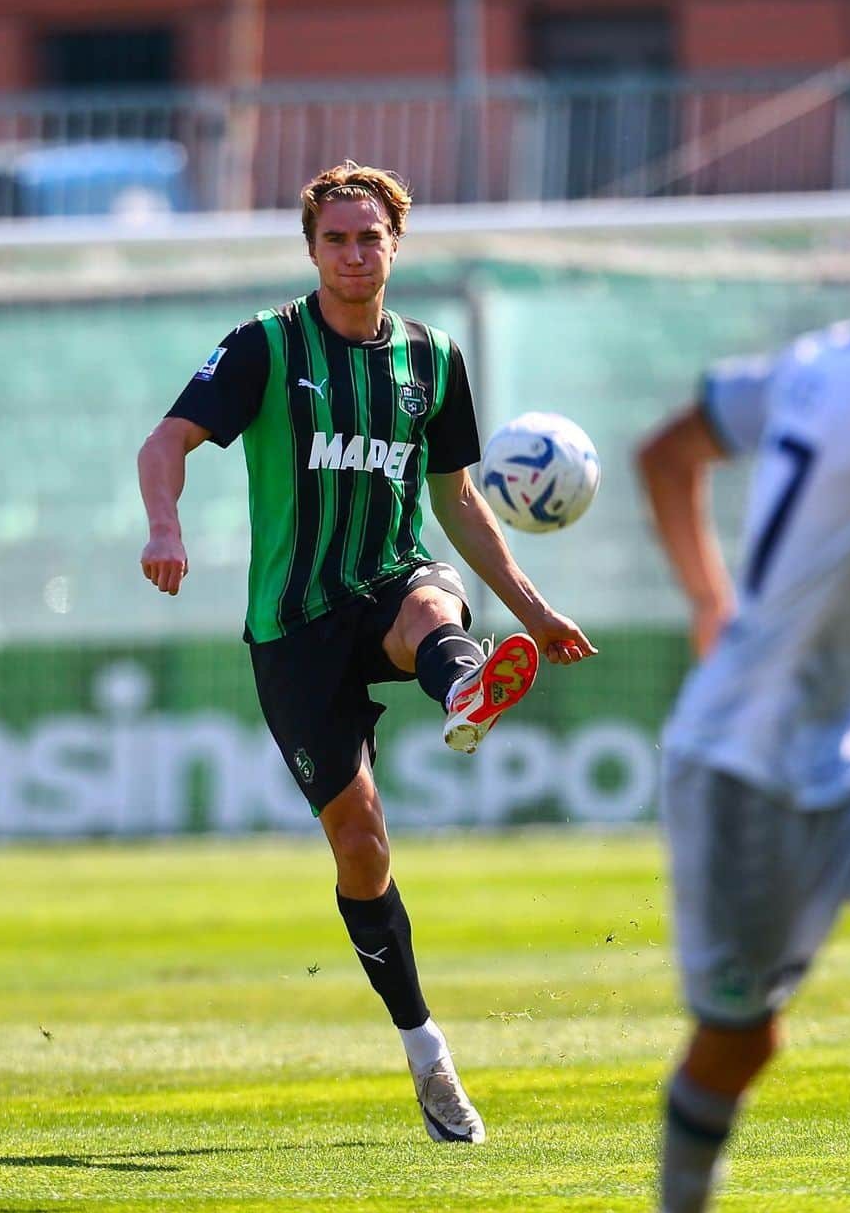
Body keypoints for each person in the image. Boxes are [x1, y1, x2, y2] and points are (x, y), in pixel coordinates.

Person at [137, 161, 595, 1145]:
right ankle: (427, 1052)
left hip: (390, 588)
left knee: (431, 595)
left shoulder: (431, 362)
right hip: (294, 629)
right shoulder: (265, 348)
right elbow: (164, 443)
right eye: (336, 238)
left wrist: (538, 611)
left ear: (396, 245)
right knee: (362, 848)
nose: (354, 252)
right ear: (312, 250)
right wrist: (164, 528)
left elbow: (458, 500)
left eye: (370, 236)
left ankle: (466, 681)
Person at [630, 186, 850, 1213]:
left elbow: (666, 453)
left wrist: (710, 602)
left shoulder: (812, 365)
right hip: (748, 763)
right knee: (740, 1041)